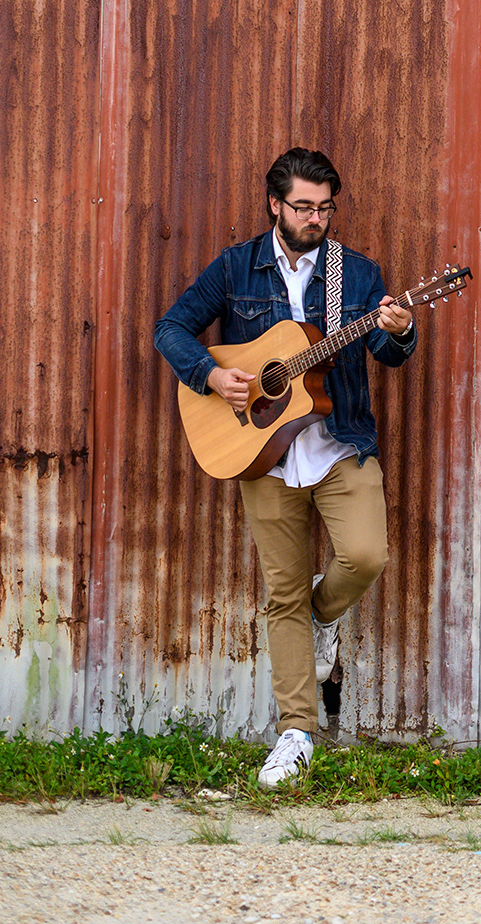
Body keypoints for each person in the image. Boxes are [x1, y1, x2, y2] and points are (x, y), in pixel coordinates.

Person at [154, 147, 415, 788]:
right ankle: (296, 735)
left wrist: (399, 328)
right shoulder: (235, 266)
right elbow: (171, 329)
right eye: (302, 207)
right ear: (275, 205)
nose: (315, 218)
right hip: (263, 454)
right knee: (283, 595)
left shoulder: (355, 273)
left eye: (325, 208)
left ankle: (323, 615)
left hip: (338, 441)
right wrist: (212, 375)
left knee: (366, 556)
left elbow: (387, 353)